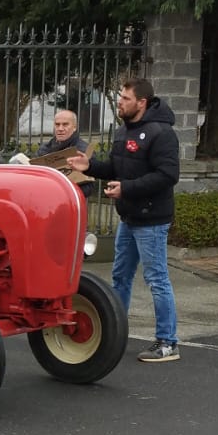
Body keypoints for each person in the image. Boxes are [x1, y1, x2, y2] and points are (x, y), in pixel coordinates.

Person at [67, 77, 180, 363]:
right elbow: (116, 168)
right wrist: (89, 166)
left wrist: (127, 188)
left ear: (141, 102)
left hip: (152, 219)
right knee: (120, 277)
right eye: (120, 97)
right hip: (128, 217)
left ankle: (167, 342)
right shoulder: (122, 132)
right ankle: (112, 330)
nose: (120, 102)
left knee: (156, 280)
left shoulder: (161, 133)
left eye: (126, 98)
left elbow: (168, 175)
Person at [35, 107, 94, 196]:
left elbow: (89, 187)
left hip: (69, 202)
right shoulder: (44, 149)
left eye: (65, 124)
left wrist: (65, 191)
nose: (60, 128)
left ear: (74, 127)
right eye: (57, 125)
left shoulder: (83, 150)